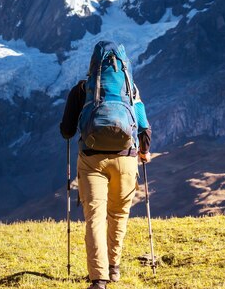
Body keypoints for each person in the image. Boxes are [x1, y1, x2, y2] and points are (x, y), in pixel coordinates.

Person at [60, 40, 152, 289]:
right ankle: (114, 268)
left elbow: (67, 131)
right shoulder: (130, 89)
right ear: (123, 67)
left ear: (93, 64)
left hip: (91, 161)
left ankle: (98, 280)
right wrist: (144, 152)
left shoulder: (81, 90)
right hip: (126, 159)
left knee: (95, 218)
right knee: (119, 214)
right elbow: (143, 127)